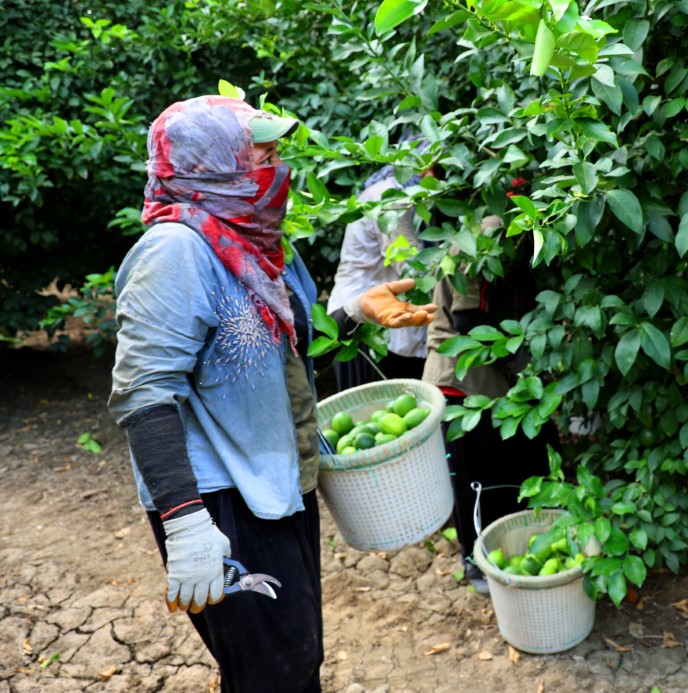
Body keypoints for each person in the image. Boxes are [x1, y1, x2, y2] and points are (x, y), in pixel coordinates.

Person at [107, 95, 435, 693]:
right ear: (211, 164)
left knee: (296, 657)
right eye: (260, 154)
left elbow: (282, 349)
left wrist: (356, 312)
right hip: (219, 501)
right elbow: (144, 393)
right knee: (274, 672)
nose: (276, 166)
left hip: (279, 484)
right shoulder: (175, 252)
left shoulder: (256, 241)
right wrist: (185, 523)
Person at [421, 221, 555, 593]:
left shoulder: (520, 232)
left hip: (497, 381)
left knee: (518, 469)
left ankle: (515, 549)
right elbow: (468, 320)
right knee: (477, 481)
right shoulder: (485, 236)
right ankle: (478, 562)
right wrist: (520, 362)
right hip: (466, 380)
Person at [327, 140, 432, 390]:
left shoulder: (403, 193)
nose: (432, 177)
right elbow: (411, 267)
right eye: (429, 167)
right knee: (371, 407)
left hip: (383, 323)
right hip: (362, 326)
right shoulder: (393, 199)